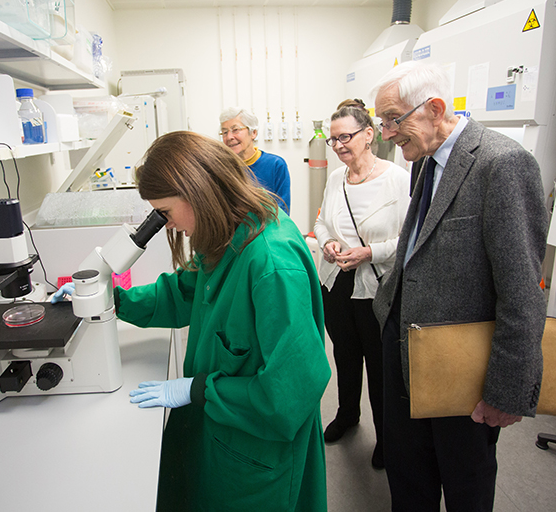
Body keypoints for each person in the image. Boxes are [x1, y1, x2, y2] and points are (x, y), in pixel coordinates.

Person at [98, 131, 330, 511]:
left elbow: (289, 395)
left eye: (166, 213)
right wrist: (112, 300)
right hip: (222, 432)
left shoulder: (271, 263)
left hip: (257, 452)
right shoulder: (229, 233)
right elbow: (183, 292)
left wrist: (202, 389)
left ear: (198, 193)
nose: (168, 226)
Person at [370, 61, 548, 511]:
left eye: (394, 119)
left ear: (434, 108)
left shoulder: (502, 164)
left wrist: (506, 391)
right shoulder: (425, 160)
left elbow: (522, 292)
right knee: (408, 477)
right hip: (406, 349)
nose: (387, 133)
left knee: (464, 483)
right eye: (383, 122)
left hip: (461, 368)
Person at [313, 103, 409, 470]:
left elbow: (408, 240)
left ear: (369, 135)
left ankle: (387, 437)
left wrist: (370, 252)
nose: (338, 145)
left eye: (345, 137)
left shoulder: (397, 180)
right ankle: (347, 414)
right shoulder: (336, 178)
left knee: (380, 366)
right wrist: (328, 244)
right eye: (333, 139)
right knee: (345, 356)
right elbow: (321, 223)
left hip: (375, 288)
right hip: (337, 282)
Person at [220, 107, 291, 214]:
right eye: (224, 132)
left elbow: (282, 211)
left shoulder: (275, 165)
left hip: (268, 229)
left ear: (253, 133)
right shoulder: (221, 168)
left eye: (235, 130)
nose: (229, 137)